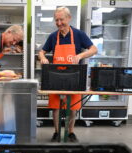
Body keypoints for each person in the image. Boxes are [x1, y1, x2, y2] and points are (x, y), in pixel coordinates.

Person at [38, 7, 97, 142]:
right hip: (55, 77)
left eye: (61, 19)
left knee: (72, 107)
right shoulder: (53, 36)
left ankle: (70, 132)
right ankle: (57, 132)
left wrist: (81, 55)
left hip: (74, 77)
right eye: (56, 20)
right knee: (56, 108)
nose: (59, 23)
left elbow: (94, 49)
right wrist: (42, 57)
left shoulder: (79, 34)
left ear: (69, 18)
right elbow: (42, 51)